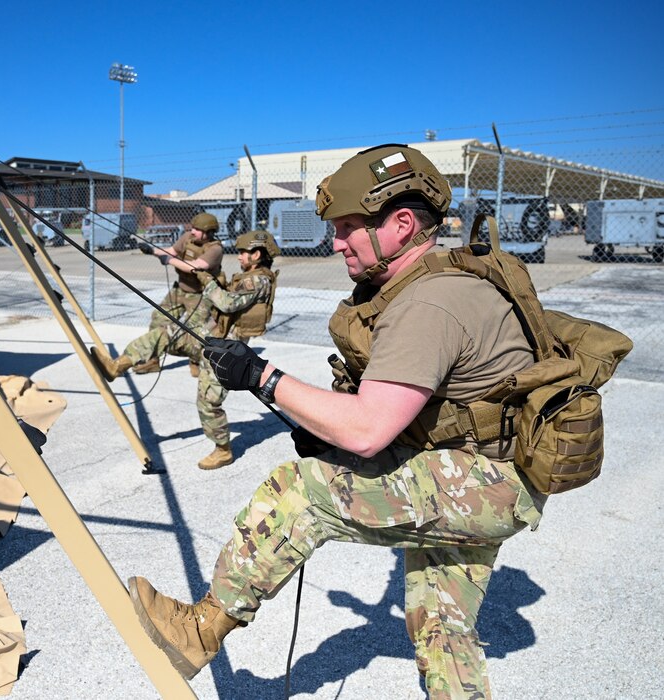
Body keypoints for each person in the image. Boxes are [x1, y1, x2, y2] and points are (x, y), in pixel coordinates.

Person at [127, 144, 548, 699]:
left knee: (298, 493)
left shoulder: (431, 303)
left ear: (401, 224)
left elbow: (368, 428)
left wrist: (262, 375)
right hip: (491, 477)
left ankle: (200, 630)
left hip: (479, 484)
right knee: (443, 627)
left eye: (349, 227)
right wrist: (322, 425)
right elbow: (418, 411)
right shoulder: (440, 283)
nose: (336, 240)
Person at [90, 231, 280, 469]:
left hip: (229, 351)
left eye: (243, 252)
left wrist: (208, 282)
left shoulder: (258, 280)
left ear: (257, 254)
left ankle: (223, 450)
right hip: (211, 337)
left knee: (208, 402)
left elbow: (226, 303)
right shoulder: (246, 276)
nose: (239, 256)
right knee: (165, 333)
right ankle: (118, 366)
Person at [133, 212, 224, 376]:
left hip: (200, 295)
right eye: (193, 228)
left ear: (208, 232)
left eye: (197, 229)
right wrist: (152, 251)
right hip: (180, 289)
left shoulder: (215, 249)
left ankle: (196, 361)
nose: (193, 231)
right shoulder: (187, 237)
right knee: (158, 319)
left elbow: (195, 266)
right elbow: (171, 251)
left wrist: (169, 260)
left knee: (196, 330)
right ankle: (152, 360)